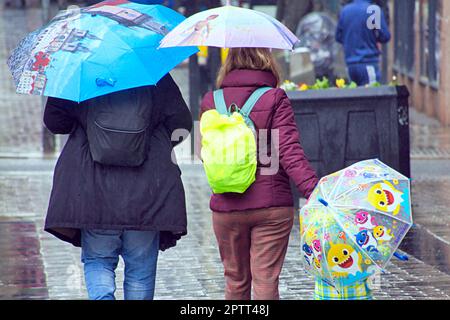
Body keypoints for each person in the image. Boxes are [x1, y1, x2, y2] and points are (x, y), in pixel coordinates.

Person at [43, 74, 192, 300]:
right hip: (148, 192)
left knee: (98, 261)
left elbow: (54, 121)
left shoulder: (80, 72)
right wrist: (148, 141)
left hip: (92, 188)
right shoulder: (152, 73)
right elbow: (181, 122)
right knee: (140, 270)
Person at [200, 48, 319, 300]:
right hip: (271, 207)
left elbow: (207, 153)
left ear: (229, 63)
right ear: (267, 61)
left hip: (226, 206)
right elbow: (288, 150)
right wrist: (314, 191)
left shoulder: (211, 101)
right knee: (265, 280)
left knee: (235, 281)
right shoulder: (275, 98)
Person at [335, 0, 391, 86]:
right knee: (372, 96)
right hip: (368, 63)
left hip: (350, 66)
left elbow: (338, 37)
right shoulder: (373, 10)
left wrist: (350, 40)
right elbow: (385, 36)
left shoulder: (345, 11)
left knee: (354, 97)